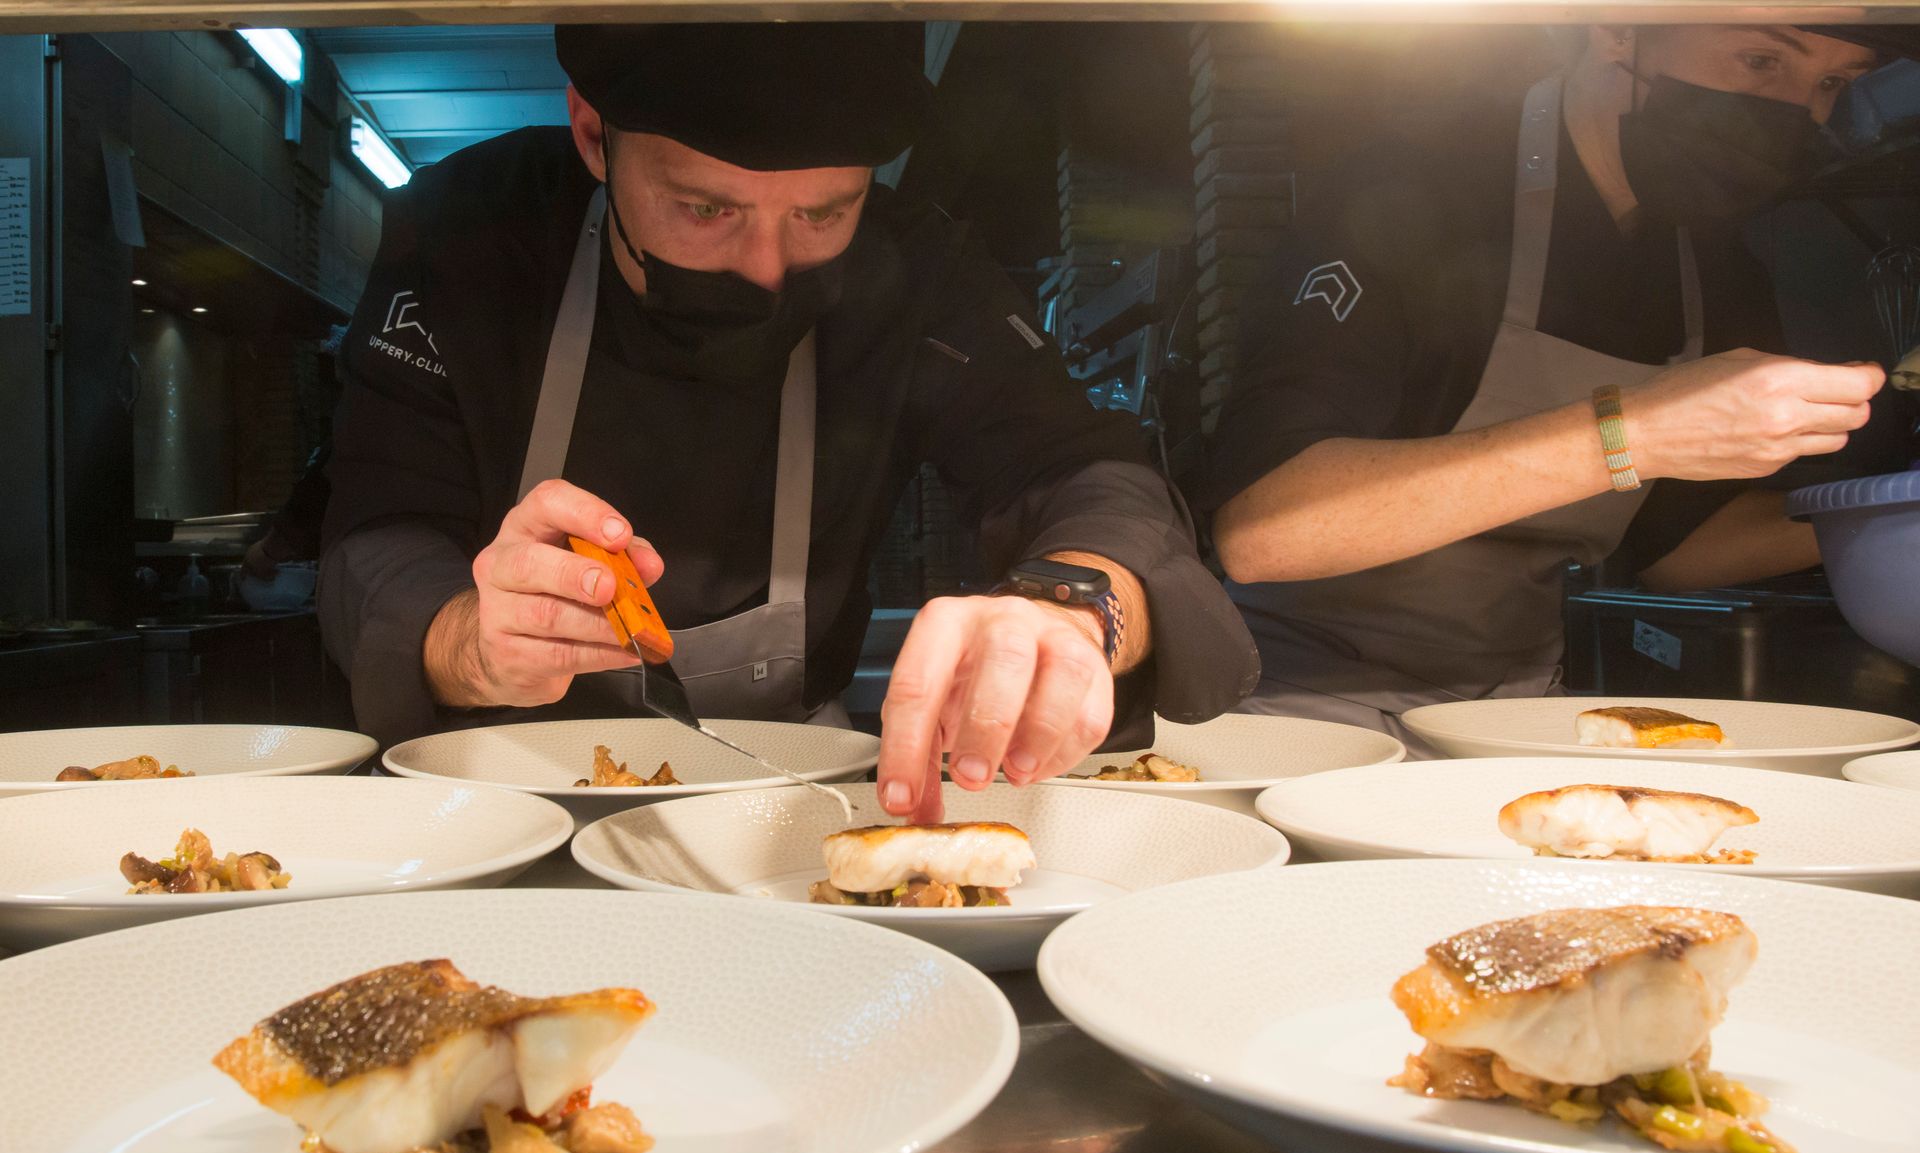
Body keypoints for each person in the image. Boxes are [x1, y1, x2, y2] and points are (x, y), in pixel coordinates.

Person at [319, 22, 1258, 821]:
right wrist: (466, 640)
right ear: (595, 136)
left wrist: (1078, 603)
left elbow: (1081, 470)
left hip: (793, 800)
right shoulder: (471, 233)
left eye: (823, 212)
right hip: (491, 796)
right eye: (705, 208)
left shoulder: (916, 266)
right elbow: (379, 534)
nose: (769, 270)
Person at [1202, 23, 1915, 752]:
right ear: (1617, 28)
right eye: (1761, 60)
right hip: (1291, 709)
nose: (1797, 110)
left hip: (1514, 714)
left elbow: (1676, 550)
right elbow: (1265, 531)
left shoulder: (1717, 269)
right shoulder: (1414, 188)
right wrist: (1636, 431)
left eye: (1832, 83)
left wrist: (1891, 515)